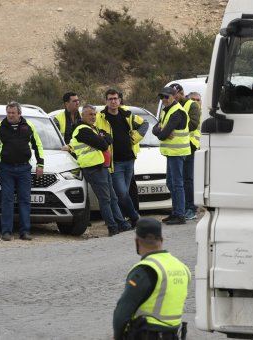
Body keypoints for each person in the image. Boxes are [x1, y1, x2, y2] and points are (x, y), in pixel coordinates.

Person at [113, 217, 191, 340]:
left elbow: (122, 312)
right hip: (173, 335)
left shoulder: (145, 269)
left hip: (148, 334)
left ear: (137, 241)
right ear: (162, 240)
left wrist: (117, 336)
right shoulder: (182, 268)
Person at [71, 104, 132, 236]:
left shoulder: (92, 128)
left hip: (102, 167)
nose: (93, 117)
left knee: (113, 198)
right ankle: (113, 227)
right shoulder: (82, 130)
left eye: (94, 114)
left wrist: (104, 138)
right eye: (90, 114)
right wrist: (103, 139)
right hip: (93, 169)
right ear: (83, 115)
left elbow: (109, 137)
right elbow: (104, 143)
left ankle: (121, 224)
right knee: (105, 199)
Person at [0, 102, 44, 241]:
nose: (10, 115)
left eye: (13, 113)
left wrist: (40, 164)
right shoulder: (0, 126)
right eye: (8, 113)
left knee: (25, 200)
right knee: (7, 200)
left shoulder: (28, 126)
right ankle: (6, 232)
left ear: (19, 114)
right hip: (6, 169)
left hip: (24, 169)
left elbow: (38, 145)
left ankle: (25, 232)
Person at [95, 89, 148, 228]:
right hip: (115, 162)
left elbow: (145, 124)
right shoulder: (100, 117)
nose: (113, 101)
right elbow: (87, 132)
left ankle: (130, 218)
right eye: (110, 99)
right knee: (122, 193)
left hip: (129, 159)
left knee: (124, 192)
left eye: (115, 99)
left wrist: (135, 138)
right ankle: (135, 216)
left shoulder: (127, 114)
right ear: (105, 101)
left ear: (120, 100)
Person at [152, 87, 190, 225]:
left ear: (174, 96)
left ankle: (180, 215)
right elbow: (155, 129)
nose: (164, 100)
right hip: (170, 153)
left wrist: (161, 131)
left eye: (166, 97)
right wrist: (161, 130)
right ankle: (175, 212)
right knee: (171, 183)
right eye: (162, 97)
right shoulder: (166, 111)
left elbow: (161, 135)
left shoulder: (177, 112)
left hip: (177, 153)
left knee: (177, 184)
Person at [169, 84, 201, 221]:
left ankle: (191, 208)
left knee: (187, 179)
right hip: (175, 147)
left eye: (174, 94)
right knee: (174, 181)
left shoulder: (191, 105)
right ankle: (178, 209)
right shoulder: (170, 105)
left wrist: (173, 125)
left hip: (190, 145)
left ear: (181, 93)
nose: (172, 96)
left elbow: (193, 124)